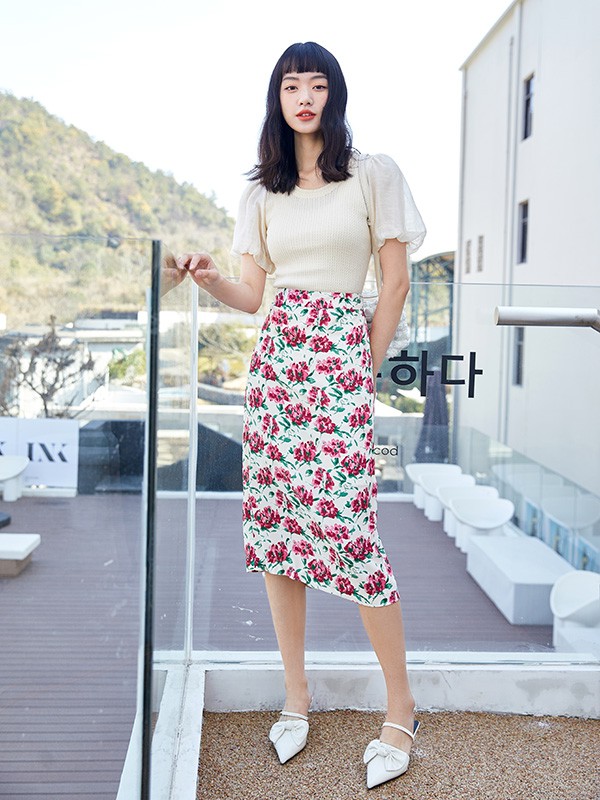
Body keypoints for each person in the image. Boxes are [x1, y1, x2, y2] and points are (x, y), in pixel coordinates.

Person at [177, 41, 426, 789]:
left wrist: (361, 370)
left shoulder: (372, 174)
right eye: (292, 86)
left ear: (334, 96)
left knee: (352, 532)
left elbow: (394, 283)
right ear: (277, 99)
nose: (306, 97)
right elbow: (253, 295)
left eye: (318, 85)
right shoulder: (261, 193)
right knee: (279, 530)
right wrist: (209, 277)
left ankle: (401, 705)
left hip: (339, 359)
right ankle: (296, 694)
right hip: (278, 364)